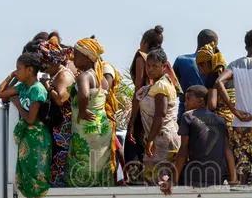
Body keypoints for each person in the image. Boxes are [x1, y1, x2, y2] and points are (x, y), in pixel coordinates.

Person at [213, 30, 252, 184]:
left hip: (240, 124)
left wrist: (234, 110)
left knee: (242, 172)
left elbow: (218, 82)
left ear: (246, 46)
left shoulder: (235, 65)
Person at [0, 52, 52, 198]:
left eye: (18, 68)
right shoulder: (22, 87)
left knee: (35, 171)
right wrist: (11, 76)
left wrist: (18, 105)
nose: (16, 71)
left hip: (36, 138)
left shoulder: (36, 89)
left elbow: (31, 119)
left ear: (30, 70)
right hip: (27, 136)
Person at [160, 86, 237, 192]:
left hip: (196, 175)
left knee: (165, 172)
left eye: (188, 99)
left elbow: (183, 151)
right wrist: (233, 179)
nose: (185, 103)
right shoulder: (220, 120)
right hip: (218, 176)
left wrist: (173, 181)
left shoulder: (188, 116)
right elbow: (227, 150)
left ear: (201, 101)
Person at [67, 37, 121, 187]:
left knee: (84, 160)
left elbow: (84, 94)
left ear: (87, 57)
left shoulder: (84, 76)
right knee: (100, 160)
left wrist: (83, 111)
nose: (73, 57)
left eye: (76, 54)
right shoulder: (100, 77)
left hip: (87, 127)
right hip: (101, 126)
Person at [135, 48, 180, 182]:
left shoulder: (161, 86)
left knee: (156, 183)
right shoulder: (158, 85)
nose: (150, 69)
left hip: (162, 140)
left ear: (164, 66)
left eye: (155, 66)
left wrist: (150, 139)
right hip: (163, 138)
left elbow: (160, 115)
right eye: (148, 65)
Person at [39, 35, 76, 187]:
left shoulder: (64, 75)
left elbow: (61, 99)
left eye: (46, 62)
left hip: (63, 130)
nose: (44, 66)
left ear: (54, 61)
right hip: (57, 128)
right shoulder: (57, 74)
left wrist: (47, 86)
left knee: (60, 163)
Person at [126, 25, 165, 164]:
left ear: (144, 42)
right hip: (157, 106)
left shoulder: (141, 58)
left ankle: (135, 178)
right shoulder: (161, 60)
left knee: (133, 143)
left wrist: (132, 119)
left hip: (143, 107)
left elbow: (139, 89)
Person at [174, 29, 218, 119]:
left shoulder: (181, 60)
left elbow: (172, 86)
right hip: (208, 114)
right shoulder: (215, 64)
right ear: (212, 44)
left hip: (184, 111)